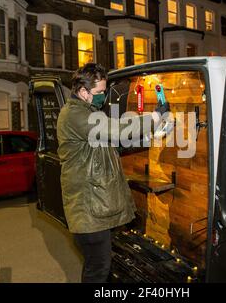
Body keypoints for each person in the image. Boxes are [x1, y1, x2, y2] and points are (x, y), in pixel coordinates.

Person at [56, 63, 169, 283]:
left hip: (93, 206)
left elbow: (112, 141)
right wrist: (154, 118)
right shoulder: (74, 114)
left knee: (101, 266)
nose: (103, 97)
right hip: (87, 209)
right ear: (83, 92)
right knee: (98, 269)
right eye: (99, 92)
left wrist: (152, 133)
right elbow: (115, 130)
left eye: (104, 91)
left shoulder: (88, 112)